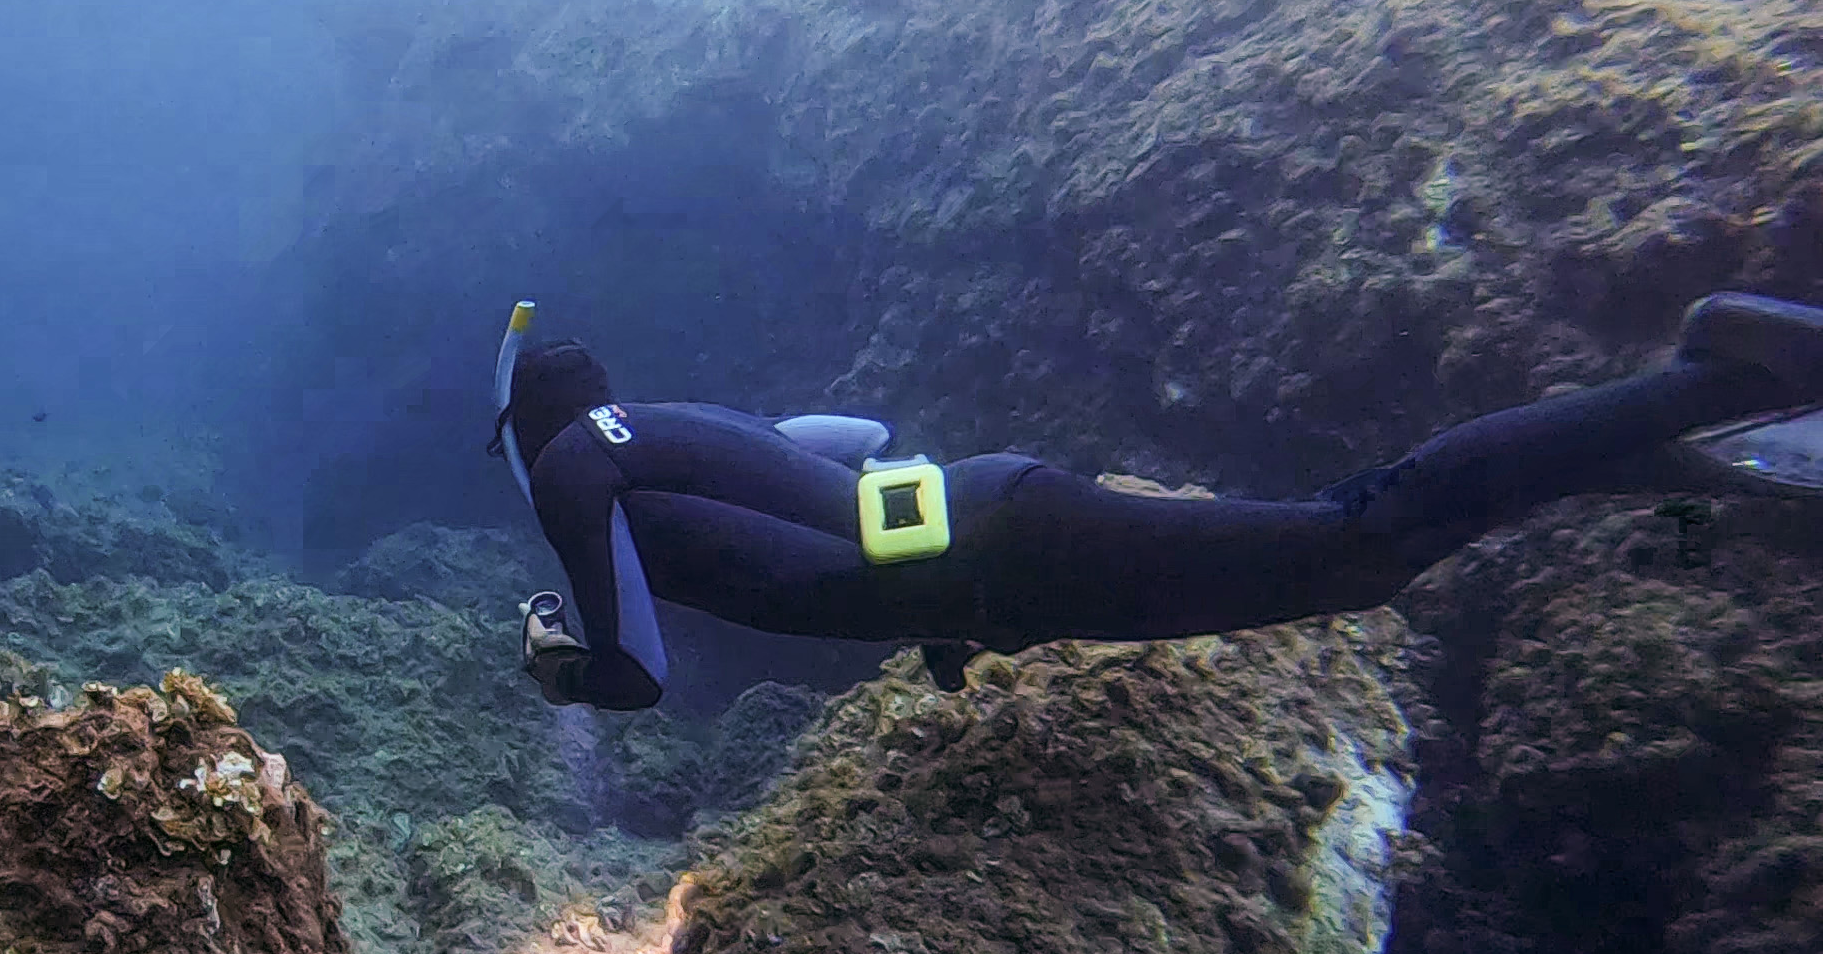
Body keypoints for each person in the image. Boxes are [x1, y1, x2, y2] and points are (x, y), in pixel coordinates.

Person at [486, 293, 1823, 711]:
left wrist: (565, 665)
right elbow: (858, 453)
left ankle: (1715, 372)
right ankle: (1672, 449)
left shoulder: (573, 471)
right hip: (1009, 546)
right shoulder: (671, 438)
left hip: (1017, 557)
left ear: (527, 437)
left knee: (1365, 535)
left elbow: (637, 677)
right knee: (1365, 551)